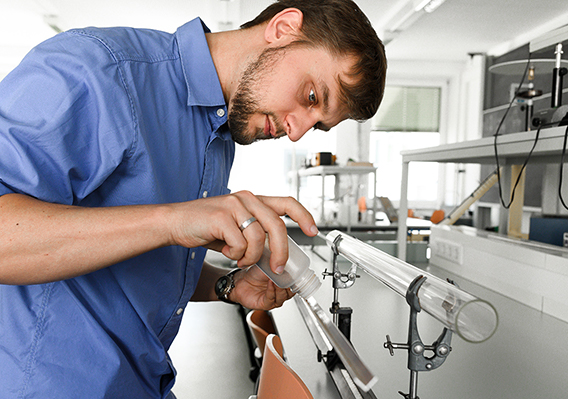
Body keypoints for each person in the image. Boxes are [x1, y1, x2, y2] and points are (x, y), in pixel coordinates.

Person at [0, 0, 386, 397]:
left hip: (141, 383)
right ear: (283, 27)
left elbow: (139, 262)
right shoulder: (100, 69)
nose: (297, 132)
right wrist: (174, 219)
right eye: (310, 96)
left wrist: (227, 285)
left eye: (318, 126)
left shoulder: (219, 136)